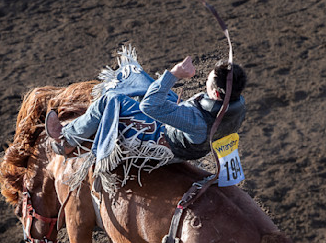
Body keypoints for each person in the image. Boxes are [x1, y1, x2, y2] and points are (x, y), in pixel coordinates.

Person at [46, 55, 247, 164]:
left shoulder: (196, 119)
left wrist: (175, 74)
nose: (206, 81)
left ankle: (67, 139)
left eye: (209, 81)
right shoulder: (238, 104)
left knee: (110, 99)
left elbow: (149, 106)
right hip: (196, 138)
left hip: (168, 143)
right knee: (147, 83)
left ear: (216, 94)